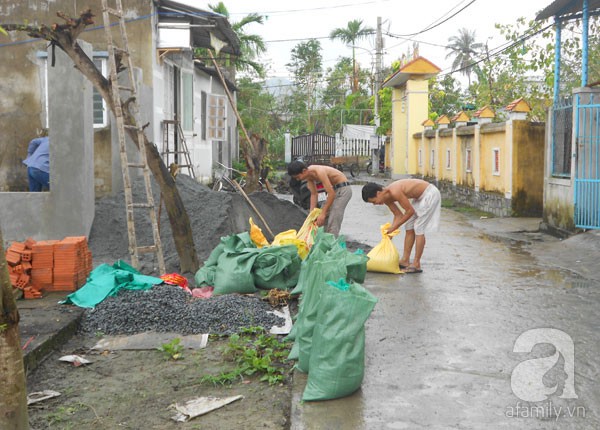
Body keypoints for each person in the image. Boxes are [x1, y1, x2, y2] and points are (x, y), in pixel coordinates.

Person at [362, 179, 441, 273]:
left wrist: (394, 227)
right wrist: (390, 233)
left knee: (418, 227)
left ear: (378, 193)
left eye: (374, 201)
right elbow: (398, 215)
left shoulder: (394, 191)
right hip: (419, 198)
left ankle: (416, 263)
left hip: (430, 194)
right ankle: (405, 260)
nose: (375, 204)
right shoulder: (386, 197)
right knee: (409, 225)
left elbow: (409, 212)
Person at [287, 160, 352, 236]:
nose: (298, 180)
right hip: (334, 190)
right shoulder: (309, 176)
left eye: (298, 177)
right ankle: (324, 239)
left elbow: (331, 194)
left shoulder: (319, 172)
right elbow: (314, 194)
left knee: (334, 216)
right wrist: (311, 214)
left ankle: (331, 241)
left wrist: (323, 213)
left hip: (343, 190)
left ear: (304, 171)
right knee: (319, 217)